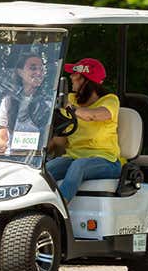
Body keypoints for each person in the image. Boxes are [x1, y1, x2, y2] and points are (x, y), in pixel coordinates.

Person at [45, 57, 122, 203]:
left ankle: (59, 207)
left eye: (76, 75)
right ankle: (32, 208)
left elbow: (93, 115)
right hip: (74, 157)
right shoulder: (71, 99)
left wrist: (69, 107)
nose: (71, 77)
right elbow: (60, 135)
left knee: (78, 165)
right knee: (45, 170)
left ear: (88, 82)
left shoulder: (110, 100)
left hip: (107, 161)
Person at [0, 54, 50, 155]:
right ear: (20, 72)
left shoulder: (49, 102)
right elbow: (2, 138)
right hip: (12, 160)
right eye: (33, 68)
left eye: (41, 69)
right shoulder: (7, 101)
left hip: (37, 160)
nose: (39, 72)